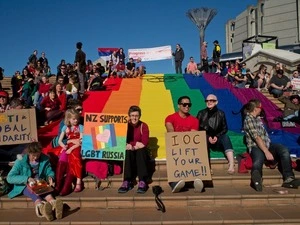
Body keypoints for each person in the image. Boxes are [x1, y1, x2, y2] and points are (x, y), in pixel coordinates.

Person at [243, 99, 300, 191]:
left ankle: (289, 178)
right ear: (255, 109)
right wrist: (266, 152)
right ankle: (257, 179)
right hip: (256, 146)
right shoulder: (248, 119)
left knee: (283, 150)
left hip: (268, 144)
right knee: (258, 159)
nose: (261, 109)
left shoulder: (258, 119)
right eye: (260, 107)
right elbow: (257, 137)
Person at [7, 142, 63, 221]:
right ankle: (42, 208)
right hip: (25, 184)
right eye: (33, 155)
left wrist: (51, 177)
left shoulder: (44, 159)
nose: (36, 157)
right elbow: (10, 178)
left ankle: (55, 205)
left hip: (40, 182)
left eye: (38, 155)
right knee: (35, 195)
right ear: (29, 153)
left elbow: (49, 171)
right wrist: (27, 178)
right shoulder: (20, 161)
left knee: (48, 194)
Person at [165, 96, 204, 193]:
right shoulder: (170, 118)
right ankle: (174, 182)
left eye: (189, 105)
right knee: (174, 154)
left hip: (188, 147)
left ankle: (196, 180)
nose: (187, 106)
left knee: (193, 153)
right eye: (184, 104)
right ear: (179, 105)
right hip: (175, 147)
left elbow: (192, 136)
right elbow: (170, 131)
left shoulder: (194, 120)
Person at [196, 94, 235, 174]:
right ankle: (207, 167)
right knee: (204, 138)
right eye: (207, 100)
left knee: (225, 137)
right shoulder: (201, 113)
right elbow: (198, 128)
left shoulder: (221, 113)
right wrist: (208, 136)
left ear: (216, 102)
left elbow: (225, 128)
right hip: (206, 138)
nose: (209, 102)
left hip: (218, 138)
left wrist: (217, 136)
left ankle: (231, 163)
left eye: (211, 100)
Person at [118, 106, 150, 194]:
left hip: (140, 151)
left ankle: (142, 180)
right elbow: (121, 139)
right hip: (130, 150)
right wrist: (134, 144)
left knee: (141, 150)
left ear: (139, 116)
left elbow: (145, 142)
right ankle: (127, 181)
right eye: (132, 115)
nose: (134, 118)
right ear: (129, 116)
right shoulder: (125, 125)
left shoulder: (143, 125)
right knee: (128, 151)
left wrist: (132, 145)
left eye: (136, 115)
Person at [56, 109, 83, 196]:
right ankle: (58, 185)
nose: (76, 121)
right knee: (62, 160)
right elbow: (59, 141)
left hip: (76, 148)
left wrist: (71, 149)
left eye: (76, 119)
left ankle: (66, 187)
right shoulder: (65, 128)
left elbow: (80, 142)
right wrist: (64, 146)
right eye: (74, 119)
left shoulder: (80, 127)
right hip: (68, 146)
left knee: (74, 160)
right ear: (69, 119)